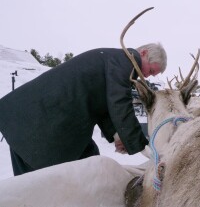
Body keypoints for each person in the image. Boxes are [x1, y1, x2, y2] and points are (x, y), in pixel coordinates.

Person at [0, 43, 167, 176]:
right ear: (143, 53)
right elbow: (120, 102)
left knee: (91, 164)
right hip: (39, 125)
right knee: (34, 190)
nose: (147, 76)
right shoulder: (125, 61)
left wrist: (118, 135)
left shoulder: (112, 60)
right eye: (151, 70)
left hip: (30, 120)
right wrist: (144, 148)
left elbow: (104, 105)